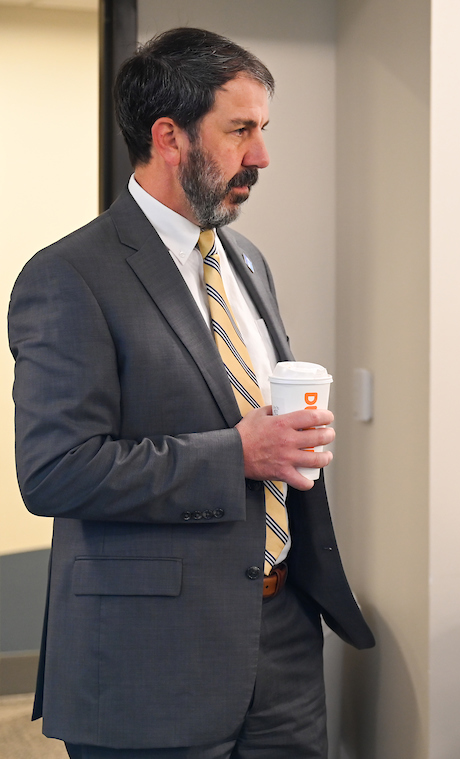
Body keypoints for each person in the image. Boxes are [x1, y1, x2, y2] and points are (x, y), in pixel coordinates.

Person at [9, 28, 374, 758]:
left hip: (283, 642)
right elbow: (54, 470)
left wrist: (289, 440)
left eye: (263, 129)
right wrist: (237, 455)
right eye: (240, 131)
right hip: (149, 661)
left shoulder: (247, 260)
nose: (261, 156)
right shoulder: (68, 276)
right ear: (169, 137)